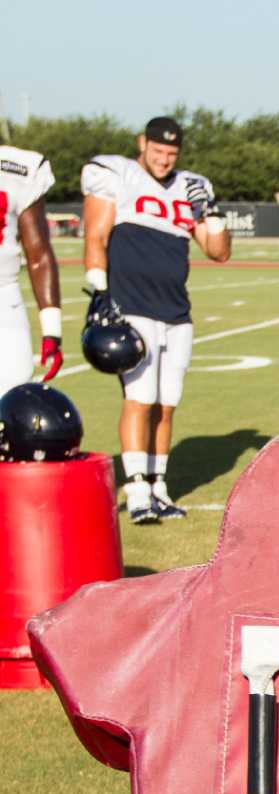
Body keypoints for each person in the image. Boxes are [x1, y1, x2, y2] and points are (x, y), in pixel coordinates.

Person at [81, 117, 231, 524]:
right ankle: (137, 490)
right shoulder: (119, 174)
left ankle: (159, 486)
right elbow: (96, 237)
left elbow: (218, 252)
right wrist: (98, 291)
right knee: (139, 399)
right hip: (131, 307)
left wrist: (211, 213)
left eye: (171, 154)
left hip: (176, 312)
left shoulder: (189, 186)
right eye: (158, 151)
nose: (164, 160)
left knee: (166, 405)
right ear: (142, 143)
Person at [1, 143, 62, 384]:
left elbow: (38, 254)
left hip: (4, 296)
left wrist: (52, 329)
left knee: (15, 390)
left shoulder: (15, 169)